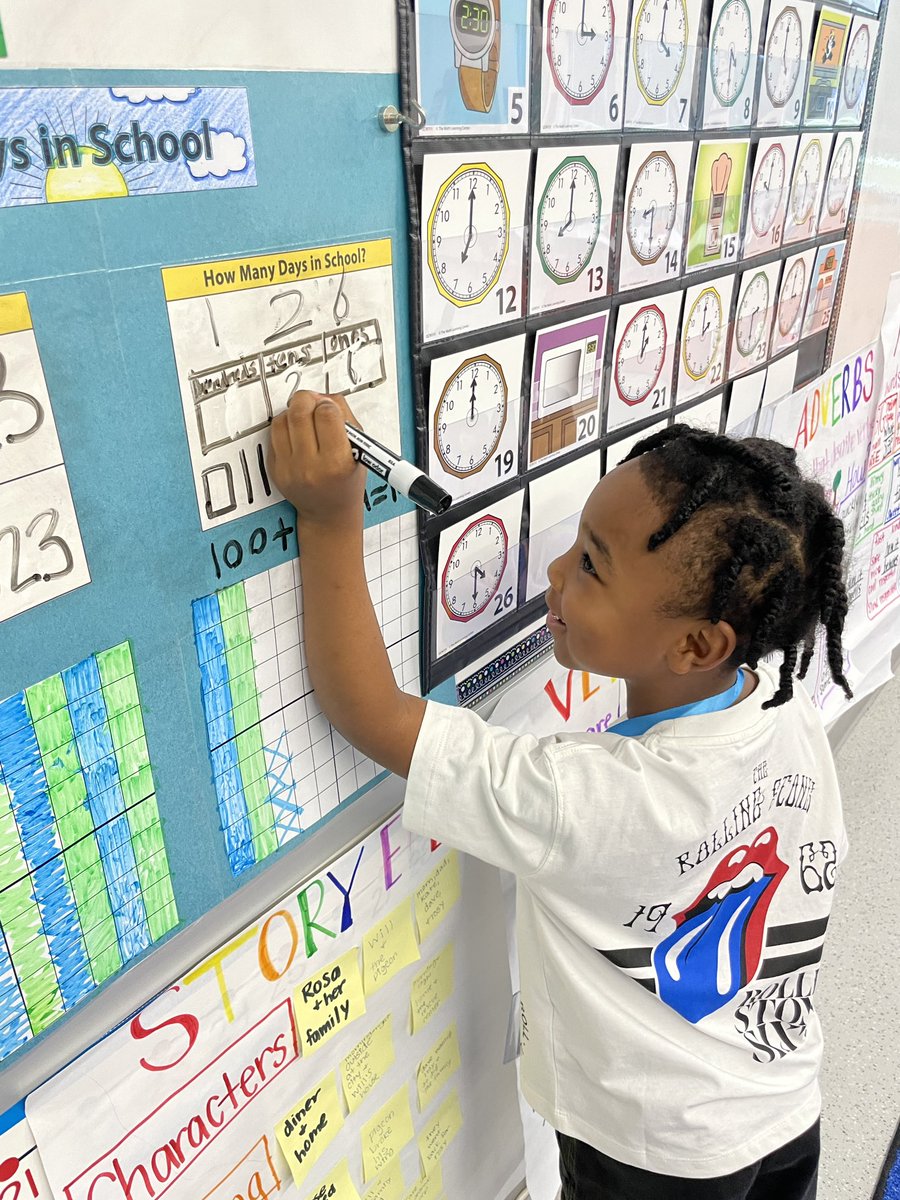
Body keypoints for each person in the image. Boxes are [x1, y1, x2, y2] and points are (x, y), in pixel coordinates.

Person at [268, 390, 851, 1200]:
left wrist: (330, 519)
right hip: (783, 1107)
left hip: (654, 1157)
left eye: (590, 566)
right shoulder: (783, 713)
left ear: (694, 643)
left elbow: (367, 707)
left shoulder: (586, 799)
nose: (554, 574)